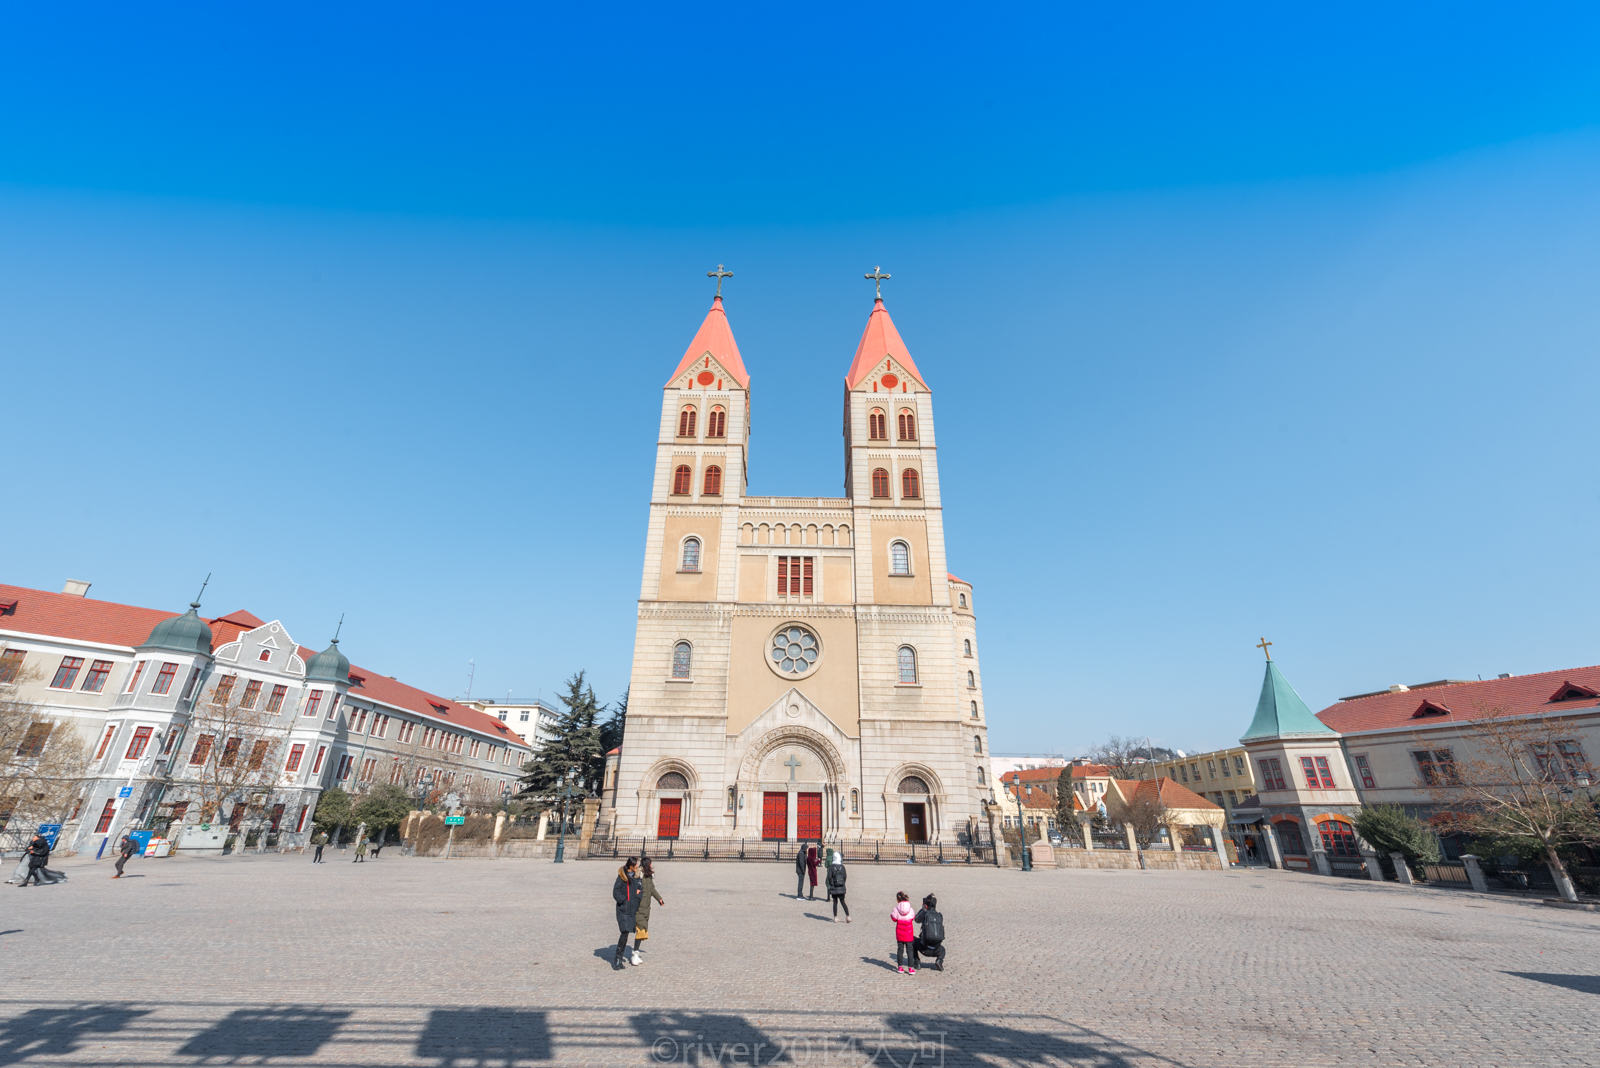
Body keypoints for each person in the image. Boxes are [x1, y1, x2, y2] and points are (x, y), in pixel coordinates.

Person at [632, 857, 665, 963]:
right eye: (650, 863)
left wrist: (659, 899)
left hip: (646, 909)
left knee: (643, 932)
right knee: (641, 931)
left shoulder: (649, 876)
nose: (651, 865)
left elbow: (652, 889)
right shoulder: (638, 877)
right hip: (638, 908)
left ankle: (636, 954)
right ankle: (634, 955)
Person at [612, 856, 642, 969]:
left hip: (632, 909)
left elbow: (640, 890)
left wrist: (637, 899)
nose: (637, 866)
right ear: (631, 865)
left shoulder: (637, 877)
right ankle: (617, 959)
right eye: (636, 864)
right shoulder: (622, 877)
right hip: (623, 909)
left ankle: (618, 958)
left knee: (626, 933)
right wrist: (624, 901)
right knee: (624, 931)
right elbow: (615, 891)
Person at [913, 894, 946, 971]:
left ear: (926, 906)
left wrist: (923, 909)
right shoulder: (939, 915)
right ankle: (939, 961)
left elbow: (916, 919)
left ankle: (917, 962)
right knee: (943, 950)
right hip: (937, 950)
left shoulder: (924, 914)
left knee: (911, 940)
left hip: (925, 948)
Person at [891, 891, 916, 974]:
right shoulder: (910, 908)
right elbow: (913, 917)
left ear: (897, 900)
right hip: (908, 933)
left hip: (900, 933)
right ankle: (911, 968)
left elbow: (893, 918)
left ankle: (900, 967)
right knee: (910, 950)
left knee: (900, 949)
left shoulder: (896, 909)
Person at [826, 850, 849, 922]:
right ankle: (848, 916)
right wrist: (843, 883)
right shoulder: (842, 867)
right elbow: (845, 876)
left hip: (834, 886)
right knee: (843, 902)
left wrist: (831, 884)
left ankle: (835, 917)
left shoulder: (832, 867)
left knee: (835, 902)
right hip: (841, 886)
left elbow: (829, 877)